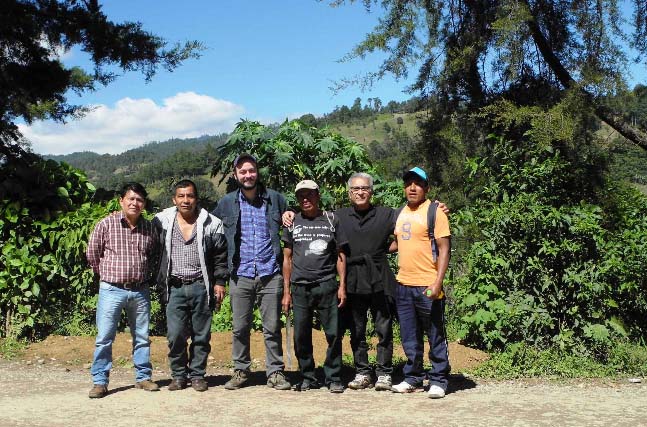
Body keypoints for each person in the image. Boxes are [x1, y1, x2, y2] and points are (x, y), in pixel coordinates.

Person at [282, 172, 448, 392]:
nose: (360, 193)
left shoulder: (388, 214)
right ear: (350, 193)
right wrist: (289, 213)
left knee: (383, 328)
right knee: (357, 329)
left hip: (380, 277)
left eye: (364, 189)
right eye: (355, 189)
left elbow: (412, 217)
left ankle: (384, 373)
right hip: (352, 278)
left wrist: (437, 207)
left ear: (371, 191)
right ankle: (362, 371)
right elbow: (313, 215)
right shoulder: (338, 216)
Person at [212, 153, 291, 390]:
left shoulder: (276, 200)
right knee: (239, 328)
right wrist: (219, 276)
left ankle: (275, 373)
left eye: (251, 170)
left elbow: (291, 222)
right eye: (243, 171)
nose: (248, 175)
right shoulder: (226, 203)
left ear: (257, 172)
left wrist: (292, 213)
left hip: (270, 272)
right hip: (240, 274)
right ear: (235, 175)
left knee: (272, 327)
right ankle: (241, 371)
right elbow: (214, 235)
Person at [86, 182, 160, 398]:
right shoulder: (106, 224)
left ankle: (143, 377)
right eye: (131, 199)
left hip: (140, 291)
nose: (135, 203)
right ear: (122, 201)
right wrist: (108, 276)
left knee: (142, 336)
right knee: (104, 337)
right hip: (111, 290)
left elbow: (154, 256)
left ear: (144, 204)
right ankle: (100, 382)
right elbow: (92, 254)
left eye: (139, 200)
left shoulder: (149, 228)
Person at [154, 179, 228, 392]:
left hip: (200, 287)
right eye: (181, 196)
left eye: (190, 196)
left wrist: (220, 282)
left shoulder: (212, 223)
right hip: (174, 287)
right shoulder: (162, 222)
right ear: (174, 199)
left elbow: (220, 256)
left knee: (201, 335)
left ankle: (197, 375)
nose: (186, 200)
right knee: (175, 335)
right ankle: (178, 375)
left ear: (196, 198)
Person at [281, 180, 348, 393]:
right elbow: (287, 259)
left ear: (318, 196)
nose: (305, 199)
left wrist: (342, 286)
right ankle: (307, 376)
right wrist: (286, 292)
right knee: (301, 334)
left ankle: (334, 376)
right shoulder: (293, 223)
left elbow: (340, 255)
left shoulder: (331, 220)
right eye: (301, 196)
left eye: (309, 195)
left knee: (333, 333)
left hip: (326, 284)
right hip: (300, 287)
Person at [391, 167, 451, 398]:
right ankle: (413, 377)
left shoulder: (435, 212)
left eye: (417, 183)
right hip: (403, 285)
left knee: (435, 334)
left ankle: (438, 379)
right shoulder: (400, 212)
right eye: (408, 184)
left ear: (426, 187)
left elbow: (445, 249)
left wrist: (437, 283)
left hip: (428, 284)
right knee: (409, 336)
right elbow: (399, 242)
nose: (412, 188)